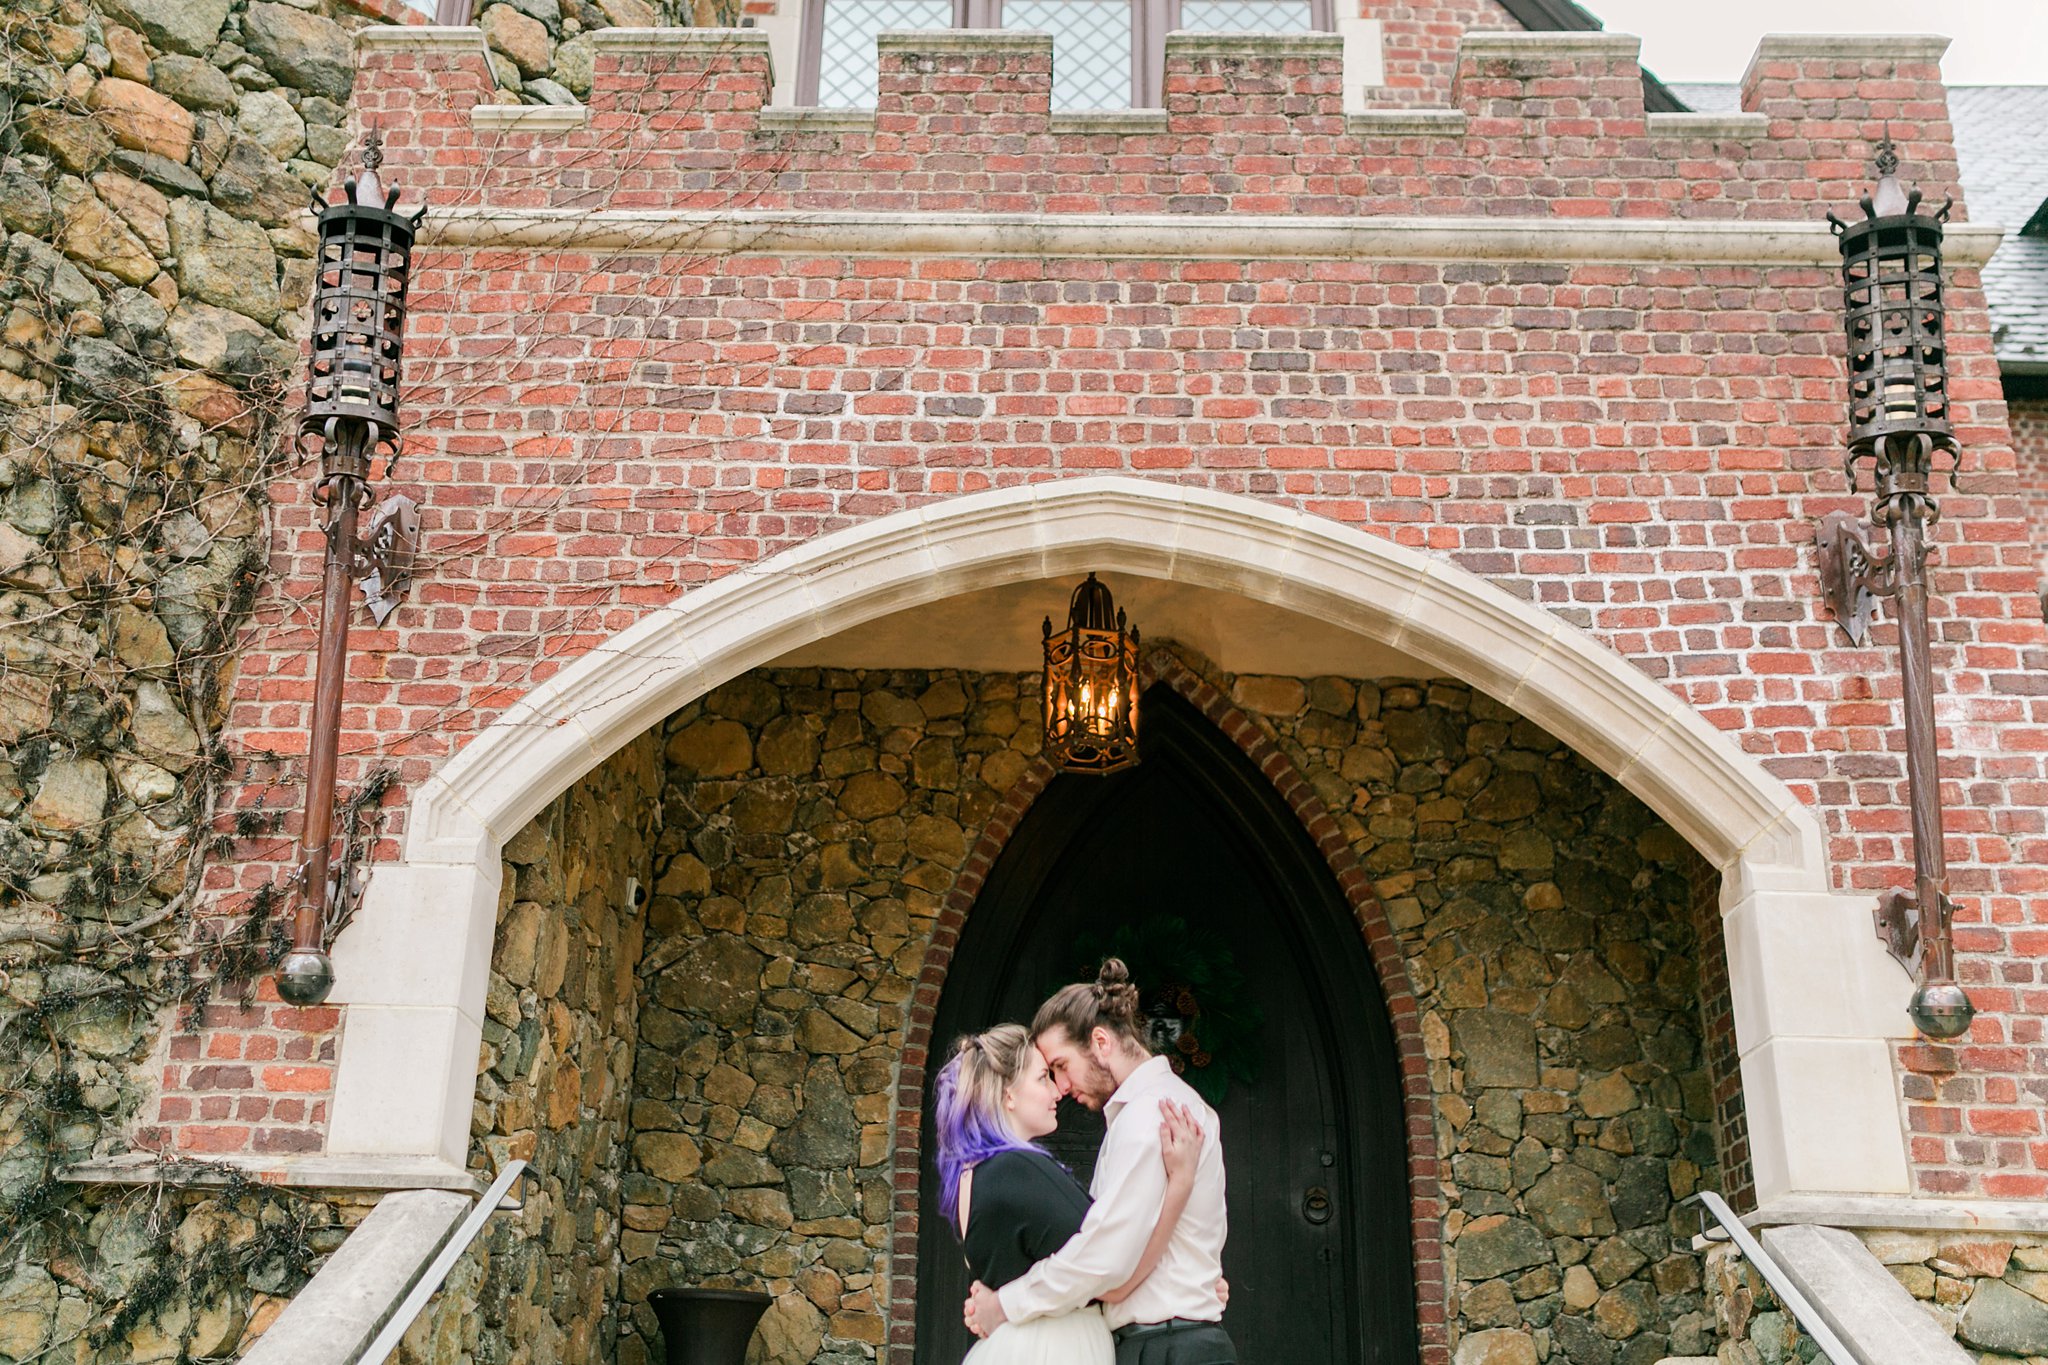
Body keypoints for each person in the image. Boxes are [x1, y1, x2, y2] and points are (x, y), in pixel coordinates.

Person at [964, 959, 1234, 1365]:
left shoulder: (1151, 1115)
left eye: (1061, 1066)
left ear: (1101, 1043)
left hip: (1167, 1349)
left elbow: (1103, 1261)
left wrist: (1006, 1304)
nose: (1062, 1085)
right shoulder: (1155, 1108)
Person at [934, 1022, 1206, 1365]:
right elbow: (1111, 1275)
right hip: (1053, 1350)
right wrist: (1180, 1187)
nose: (1057, 1091)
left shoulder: (974, 1177)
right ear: (1008, 1094)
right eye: (1043, 1077)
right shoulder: (1019, 1169)